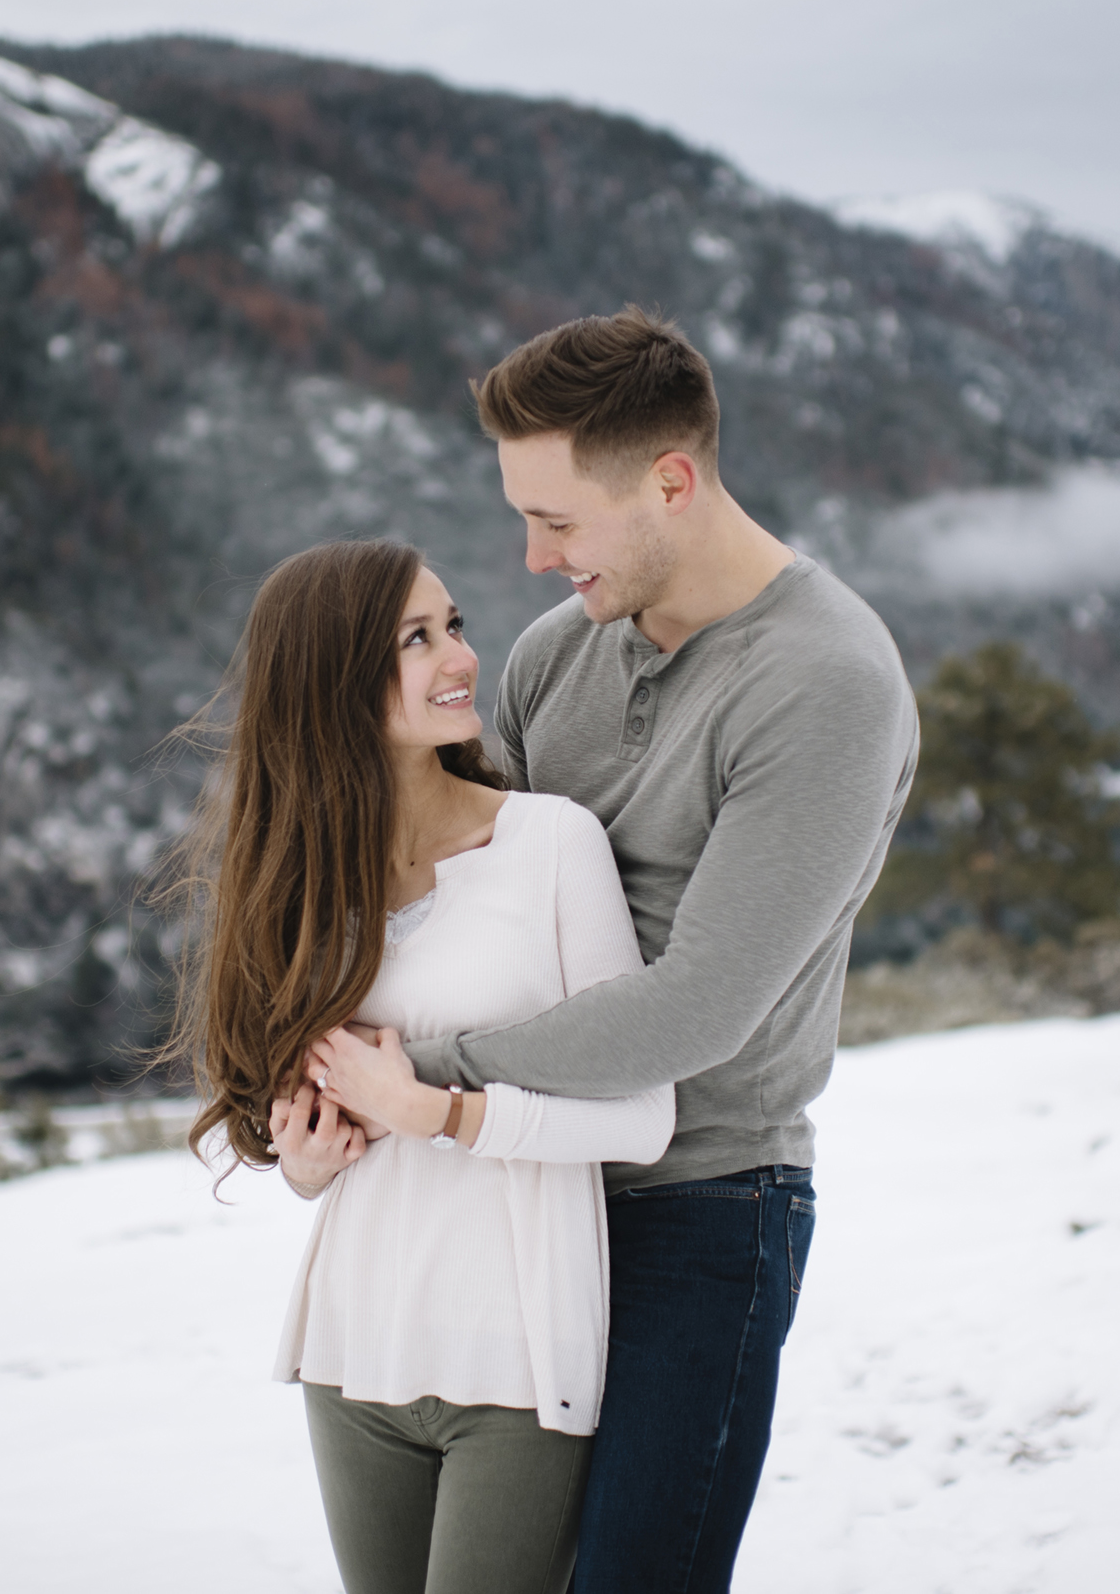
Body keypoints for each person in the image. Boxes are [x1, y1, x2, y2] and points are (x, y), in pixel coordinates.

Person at [321, 308, 919, 1593]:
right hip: (524, 1189)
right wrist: (322, 1091)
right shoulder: (553, 659)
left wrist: (417, 1074)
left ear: (671, 482)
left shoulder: (826, 683)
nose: (534, 560)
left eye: (559, 522)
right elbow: (471, 900)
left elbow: (696, 1010)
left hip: (705, 1206)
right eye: (524, 518)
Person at [161, 538, 673, 1594]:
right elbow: (285, 1113)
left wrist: (438, 1112)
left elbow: (640, 1116)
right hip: (352, 1345)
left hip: (519, 1361)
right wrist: (305, 1158)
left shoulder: (549, 843)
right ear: (333, 683)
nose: (458, 657)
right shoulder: (300, 881)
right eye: (415, 638)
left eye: (454, 625)